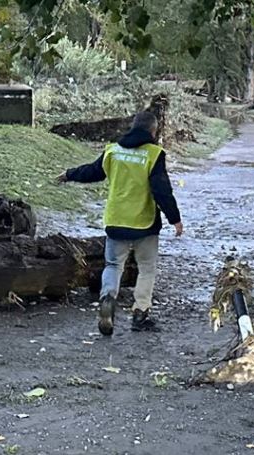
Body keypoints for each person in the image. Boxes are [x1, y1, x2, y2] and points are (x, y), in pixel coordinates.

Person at [55, 112, 183, 336]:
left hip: (116, 221)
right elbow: (162, 190)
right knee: (146, 269)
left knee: (113, 266)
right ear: (153, 131)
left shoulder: (113, 150)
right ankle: (140, 314)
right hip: (145, 224)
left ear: (132, 127)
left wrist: (68, 174)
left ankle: (107, 298)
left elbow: (92, 172)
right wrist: (175, 219)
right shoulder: (154, 155)